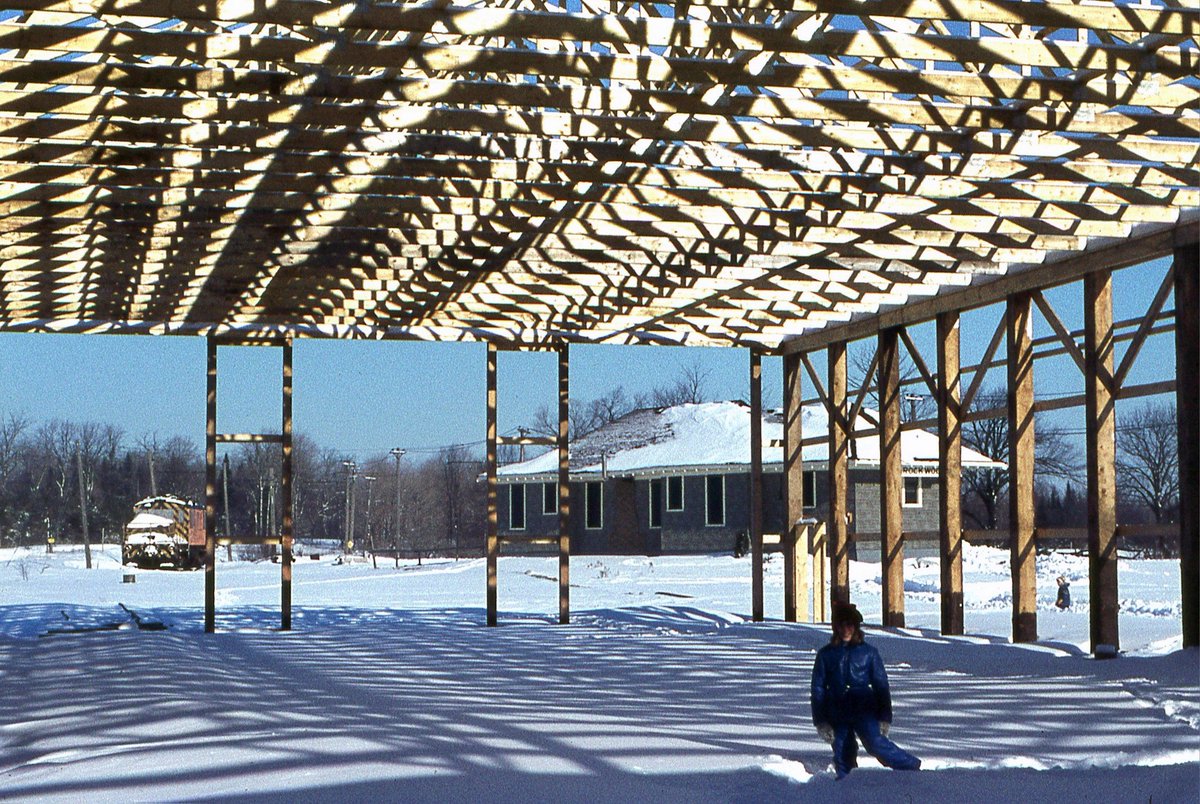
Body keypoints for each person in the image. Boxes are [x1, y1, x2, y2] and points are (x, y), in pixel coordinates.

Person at [810, 601, 921, 779]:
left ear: (856, 627)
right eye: (841, 625)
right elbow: (817, 688)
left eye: (849, 625)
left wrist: (885, 717)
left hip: (864, 707)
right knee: (842, 749)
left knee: (875, 743)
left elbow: (881, 685)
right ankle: (846, 783)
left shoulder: (869, 653)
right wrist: (820, 721)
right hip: (837, 709)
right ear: (835, 628)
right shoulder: (826, 654)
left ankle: (911, 768)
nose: (845, 630)